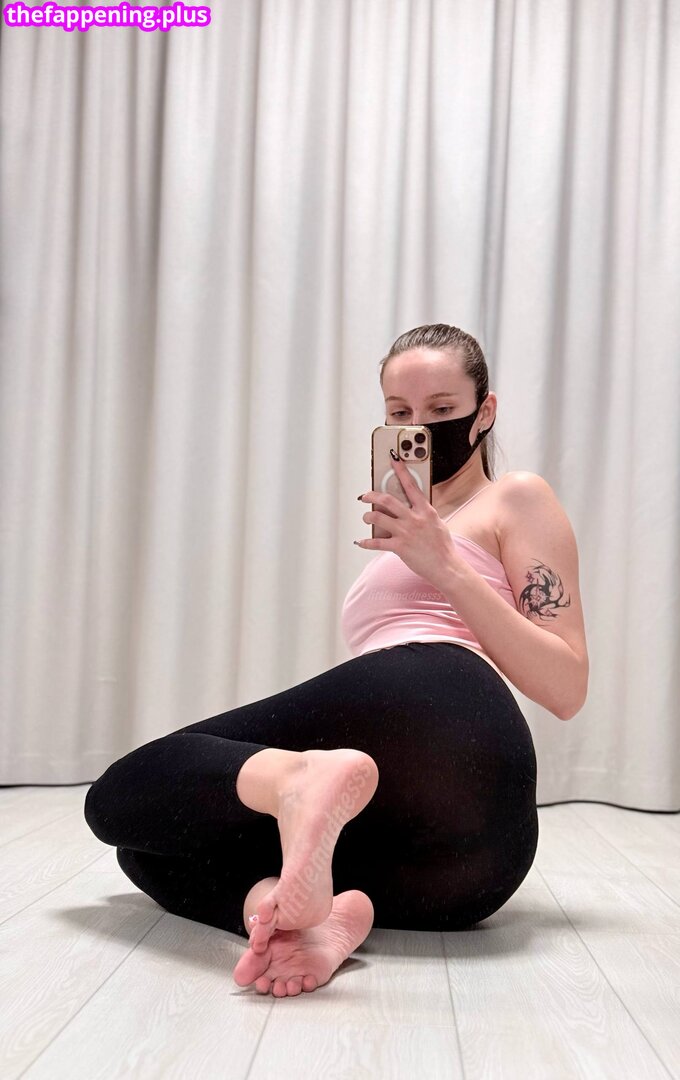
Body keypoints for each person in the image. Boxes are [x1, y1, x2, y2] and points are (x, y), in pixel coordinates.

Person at [84, 323, 589, 999]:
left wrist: (446, 566)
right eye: (400, 413)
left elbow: (566, 686)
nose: (419, 427)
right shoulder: (409, 525)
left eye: (442, 408)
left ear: (485, 411)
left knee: (120, 791)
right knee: (147, 845)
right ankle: (300, 923)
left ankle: (296, 780)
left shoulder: (515, 497)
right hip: (467, 880)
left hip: (452, 709)